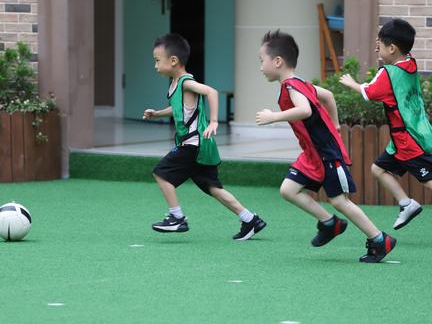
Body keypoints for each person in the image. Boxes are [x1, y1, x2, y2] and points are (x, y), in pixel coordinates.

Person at [256, 30, 395, 262]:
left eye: (262, 61)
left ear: (277, 61)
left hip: (326, 153)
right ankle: (329, 223)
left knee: (340, 201)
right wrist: (335, 124)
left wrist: (273, 117)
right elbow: (328, 96)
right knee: (288, 190)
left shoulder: (292, 86)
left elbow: (305, 110)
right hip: (312, 154)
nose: (261, 67)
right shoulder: (300, 83)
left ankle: (380, 239)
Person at [340, 18, 432, 248]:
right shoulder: (410, 63)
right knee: (378, 169)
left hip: (409, 139)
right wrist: (384, 46)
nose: (378, 48)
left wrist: (352, 82)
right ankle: (407, 204)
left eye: (381, 45)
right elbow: (390, 68)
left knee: (430, 181)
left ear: (392, 48)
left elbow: (370, 92)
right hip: (405, 137)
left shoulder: (389, 74)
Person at [144, 33, 267, 240]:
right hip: (200, 146)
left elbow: (211, 92)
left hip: (193, 145)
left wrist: (214, 121)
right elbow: (179, 109)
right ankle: (250, 219)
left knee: (161, 173)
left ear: (173, 60)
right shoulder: (176, 84)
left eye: (157, 61)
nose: (155, 66)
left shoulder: (185, 82)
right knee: (213, 188)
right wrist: (157, 113)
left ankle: (177, 218)